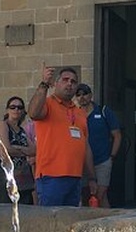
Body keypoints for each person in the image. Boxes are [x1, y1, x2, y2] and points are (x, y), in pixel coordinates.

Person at [27, 65, 97, 207]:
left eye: (73, 81)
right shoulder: (47, 104)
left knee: (69, 223)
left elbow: (85, 147)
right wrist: (44, 84)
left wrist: (92, 178)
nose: (69, 84)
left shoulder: (80, 113)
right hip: (51, 176)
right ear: (56, 83)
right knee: (50, 222)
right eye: (65, 80)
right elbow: (33, 113)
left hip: (75, 177)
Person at [75, 83, 122, 208]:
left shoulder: (103, 111)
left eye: (84, 94)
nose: (81, 97)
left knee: (100, 195)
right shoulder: (74, 115)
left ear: (90, 95)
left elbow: (117, 135)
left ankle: (106, 225)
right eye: (78, 95)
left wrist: (112, 156)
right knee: (85, 196)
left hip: (102, 160)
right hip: (82, 162)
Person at [0, 96, 36, 204]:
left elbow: (34, 150)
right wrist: (24, 151)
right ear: (7, 110)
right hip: (4, 175)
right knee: (6, 212)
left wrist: (18, 148)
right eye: (13, 107)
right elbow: (6, 149)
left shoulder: (21, 130)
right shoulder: (2, 125)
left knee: (24, 211)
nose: (16, 110)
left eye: (19, 107)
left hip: (22, 178)